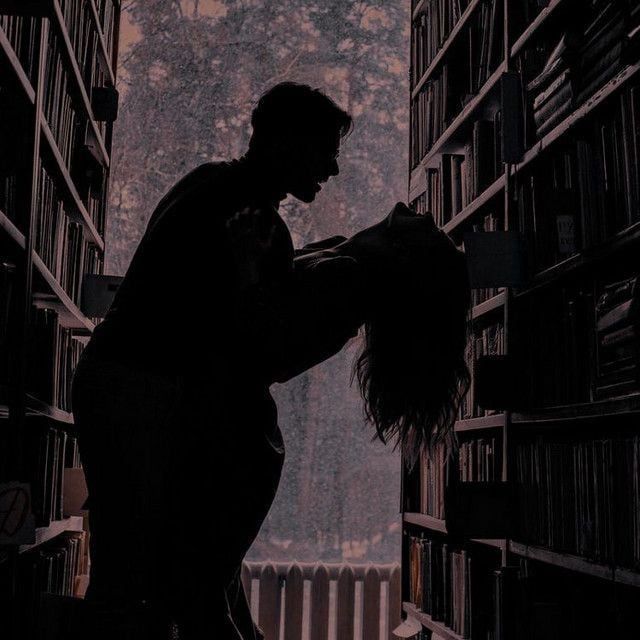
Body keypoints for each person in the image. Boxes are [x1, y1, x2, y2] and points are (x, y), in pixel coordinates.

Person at [71, 81, 470, 639]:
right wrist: (269, 271)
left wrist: (294, 263)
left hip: (125, 381)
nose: (332, 168)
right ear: (286, 142)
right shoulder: (254, 224)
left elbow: (253, 324)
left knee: (145, 570)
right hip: (141, 389)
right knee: (145, 574)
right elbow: (252, 335)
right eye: (325, 148)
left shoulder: (215, 186)